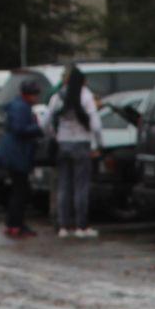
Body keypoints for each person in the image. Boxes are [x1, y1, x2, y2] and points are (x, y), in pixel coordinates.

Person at [44, 64, 104, 239]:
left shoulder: (58, 96)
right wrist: (99, 144)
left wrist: (54, 135)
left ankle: (63, 226)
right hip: (82, 144)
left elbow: (45, 121)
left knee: (64, 186)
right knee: (81, 186)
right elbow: (96, 126)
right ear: (83, 81)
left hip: (63, 144)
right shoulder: (86, 96)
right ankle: (81, 226)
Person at [0, 75, 46, 239]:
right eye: (35, 94)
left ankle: (12, 223)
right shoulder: (21, 107)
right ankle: (17, 225)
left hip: (14, 153)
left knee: (18, 190)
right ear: (28, 94)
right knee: (21, 192)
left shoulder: (18, 105)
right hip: (18, 154)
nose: (37, 97)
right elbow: (20, 129)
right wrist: (38, 128)